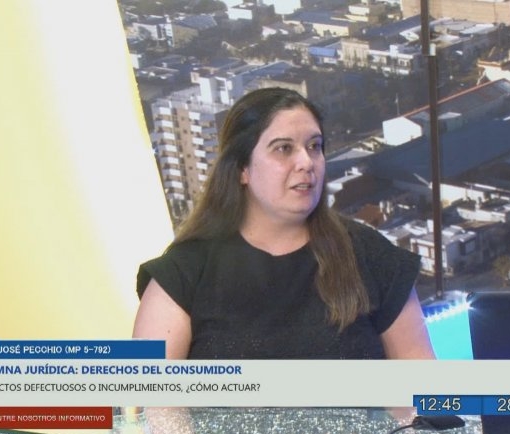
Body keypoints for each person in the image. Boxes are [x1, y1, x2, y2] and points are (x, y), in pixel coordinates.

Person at [133, 87, 434, 360]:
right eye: (284, 148)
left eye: (314, 146)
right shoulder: (182, 275)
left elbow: (426, 387)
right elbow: (148, 397)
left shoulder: (371, 256)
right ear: (242, 169)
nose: (306, 162)